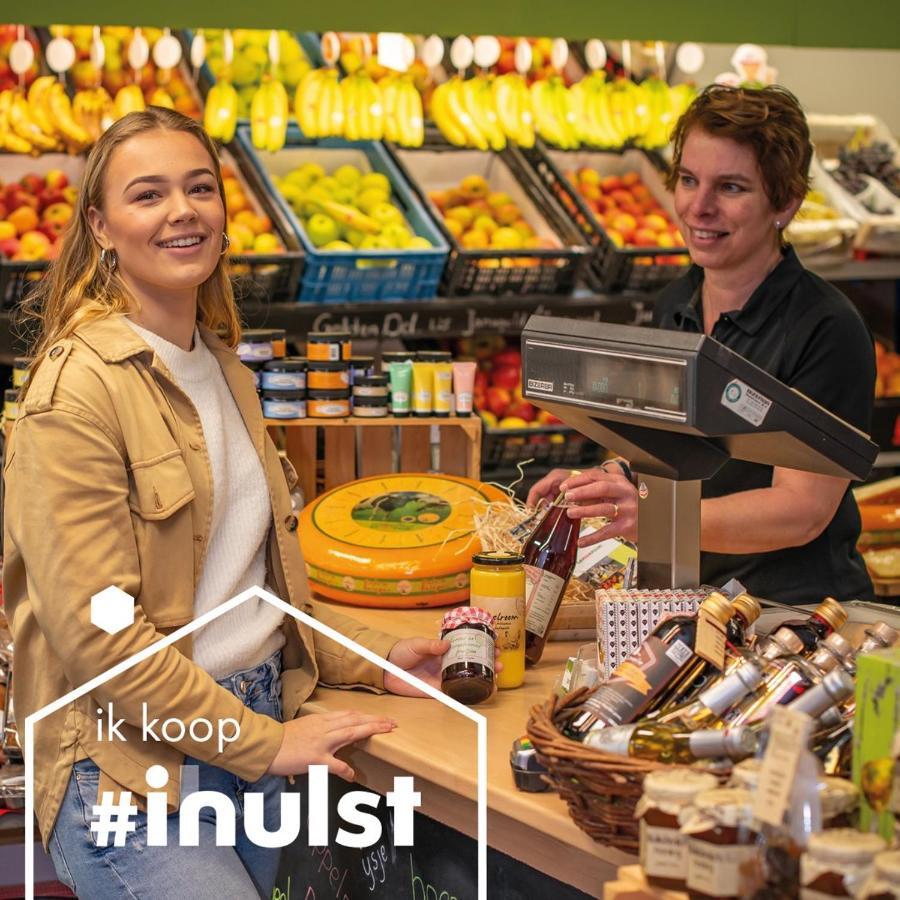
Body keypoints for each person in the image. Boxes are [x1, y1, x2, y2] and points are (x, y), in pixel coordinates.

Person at [4, 108, 449, 899]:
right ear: (101, 227)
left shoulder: (222, 366)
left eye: (199, 188)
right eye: (149, 195)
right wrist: (261, 744)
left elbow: (251, 596)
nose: (182, 211)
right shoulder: (75, 393)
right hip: (130, 766)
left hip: (250, 728)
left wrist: (380, 657)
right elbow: (96, 637)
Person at [528, 84, 875, 606]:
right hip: (691, 599)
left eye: (731, 187)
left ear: (785, 203)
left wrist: (652, 518)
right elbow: (662, 453)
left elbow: (801, 511)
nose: (699, 206)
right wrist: (600, 486)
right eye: (688, 180)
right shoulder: (673, 305)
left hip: (793, 616)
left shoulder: (826, 328)